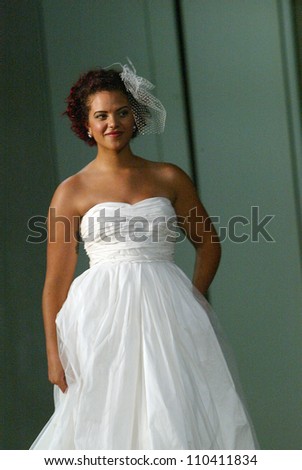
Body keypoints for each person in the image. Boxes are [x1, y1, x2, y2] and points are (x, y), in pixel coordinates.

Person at [30, 61, 257, 449]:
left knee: (174, 411)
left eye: (121, 113)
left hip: (169, 311)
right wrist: (53, 353)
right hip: (99, 317)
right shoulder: (71, 191)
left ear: (135, 118)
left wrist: (194, 297)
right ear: (86, 124)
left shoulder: (169, 177)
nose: (112, 123)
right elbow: (56, 282)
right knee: (105, 416)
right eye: (100, 115)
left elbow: (208, 243)